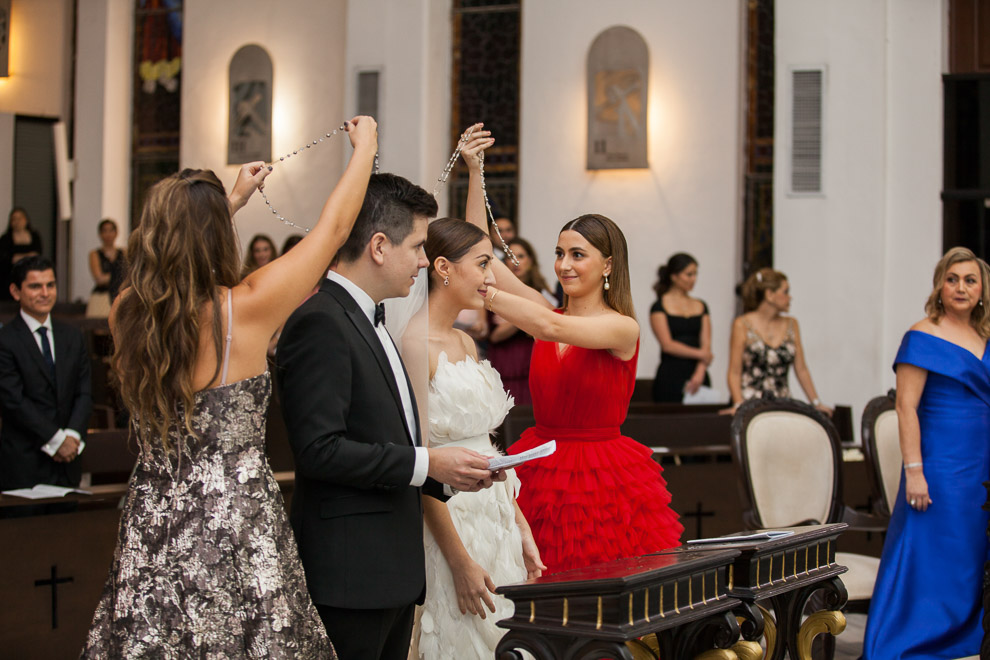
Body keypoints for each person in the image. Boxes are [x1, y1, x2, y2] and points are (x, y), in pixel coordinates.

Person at [83, 115, 380, 659]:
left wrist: (234, 198)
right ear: (218, 233)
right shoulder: (243, 309)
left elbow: (173, 263)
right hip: (233, 517)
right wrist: (365, 149)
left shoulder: (128, 311)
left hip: (155, 510)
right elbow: (333, 233)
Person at [275, 172, 501, 660]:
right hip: (351, 573)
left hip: (392, 570)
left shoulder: (371, 318)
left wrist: (451, 476)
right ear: (379, 245)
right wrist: (428, 465)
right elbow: (319, 450)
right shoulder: (320, 321)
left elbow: (387, 431)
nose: (424, 260)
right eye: (418, 246)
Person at [461, 124, 683, 574]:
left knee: (598, 592)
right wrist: (473, 171)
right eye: (560, 253)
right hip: (542, 465)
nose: (563, 265)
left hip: (602, 475)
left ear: (608, 264)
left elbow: (545, 325)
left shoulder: (622, 328)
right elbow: (475, 250)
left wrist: (481, 290)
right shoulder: (548, 310)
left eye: (577, 254)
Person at [410, 217, 545, 659]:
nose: (491, 277)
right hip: (450, 520)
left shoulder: (466, 343)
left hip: (494, 513)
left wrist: (520, 527)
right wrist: (459, 561)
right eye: (484, 263)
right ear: (443, 267)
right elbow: (420, 460)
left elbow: (490, 448)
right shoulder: (414, 345)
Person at [862, 247, 990, 659]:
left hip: (981, 466)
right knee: (933, 550)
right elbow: (905, 408)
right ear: (939, 285)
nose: (961, 287)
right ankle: (911, 639)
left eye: (970, 280)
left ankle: (965, 637)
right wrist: (914, 471)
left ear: (982, 289)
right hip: (940, 465)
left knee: (971, 552)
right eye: (952, 279)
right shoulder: (922, 335)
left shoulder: (986, 336)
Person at [0, 256, 91, 491]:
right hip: (24, 463)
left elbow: (84, 392)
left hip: (68, 463)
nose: (45, 293)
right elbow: (13, 400)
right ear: (15, 291)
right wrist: (57, 440)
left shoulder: (72, 336)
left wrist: (71, 436)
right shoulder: (5, 340)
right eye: (35, 286)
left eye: (50, 285)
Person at [723, 268, 832, 415]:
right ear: (769, 294)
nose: (790, 297)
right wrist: (738, 404)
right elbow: (734, 371)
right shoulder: (742, 324)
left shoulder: (792, 324)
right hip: (751, 404)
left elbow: (801, 369)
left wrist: (816, 402)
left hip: (783, 403)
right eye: (785, 292)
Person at [486, 237, 554, 405]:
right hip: (506, 361)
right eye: (510, 257)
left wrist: (512, 316)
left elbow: (552, 325)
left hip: (533, 361)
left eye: (521, 256)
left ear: (530, 260)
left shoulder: (542, 292)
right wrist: (528, 315)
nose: (515, 262)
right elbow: (494, 335)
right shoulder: (495, 291)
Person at [649, 253, 712, 402]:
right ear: (674, 276)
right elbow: (667, 345)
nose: (693, 279)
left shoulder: (701, 305)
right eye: (689, 274)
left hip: (698, 374)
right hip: (671, 374)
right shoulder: (659, 306)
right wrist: (701, 355)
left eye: (695, 274)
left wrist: (700, 371)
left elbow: (706, 345)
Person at [0, 207, 43, 301]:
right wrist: (28, 256)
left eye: (20, 218)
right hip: (10, 277)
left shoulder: (34, 236)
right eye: (14, 219)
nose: (17, 221)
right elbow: (7, 258)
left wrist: (20, 257)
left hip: (31, 276)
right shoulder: (6, 238)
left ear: (26, 220)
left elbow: (37, 255)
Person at [86, 219, 125, 318]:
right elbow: (99, 278)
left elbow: (128, 275)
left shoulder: (124, 252)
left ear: (116, 233)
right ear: (99, 234)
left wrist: (109, 277)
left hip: (120, 295)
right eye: (104, 231)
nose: (108, 234)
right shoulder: (94, 254)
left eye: (111, 230)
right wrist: (118, 276)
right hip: (101, 296)